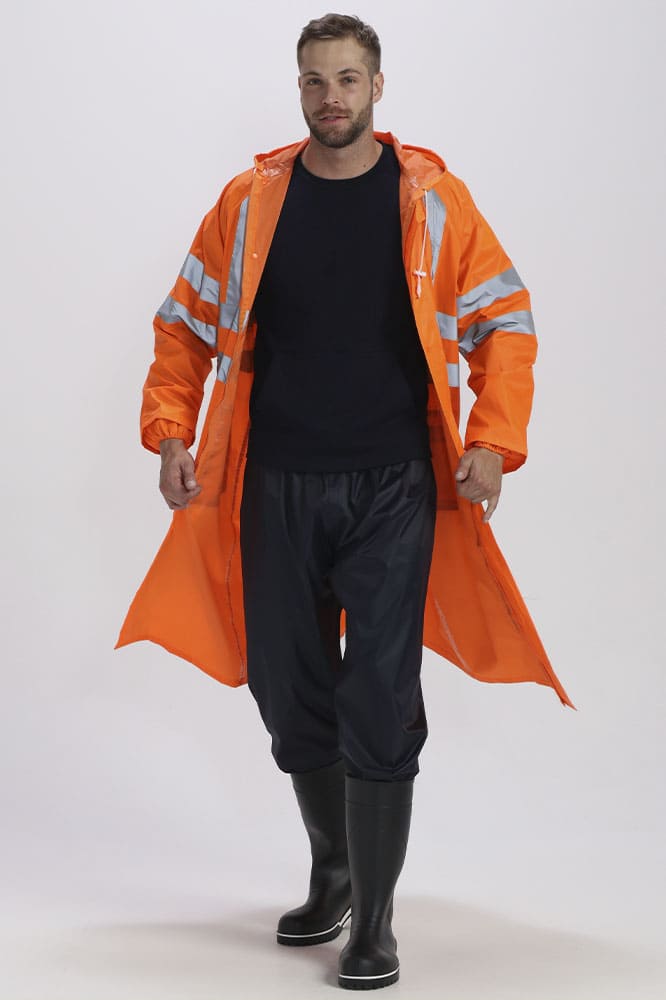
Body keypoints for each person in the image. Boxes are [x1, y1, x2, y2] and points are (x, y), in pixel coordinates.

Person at [116, 12, 574, 991]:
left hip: (393, 482)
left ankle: (376, 918)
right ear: (298, 89)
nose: (332, 98)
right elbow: (183, 324)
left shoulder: (432, 199)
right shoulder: (248, 202)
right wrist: (170, 429)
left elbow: (505, 320)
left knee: (379, 692)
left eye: (349, 80)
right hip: (273, 479)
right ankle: (332, 870)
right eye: (315, 81)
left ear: (377, 87)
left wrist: (491, 441)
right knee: (286, 689)